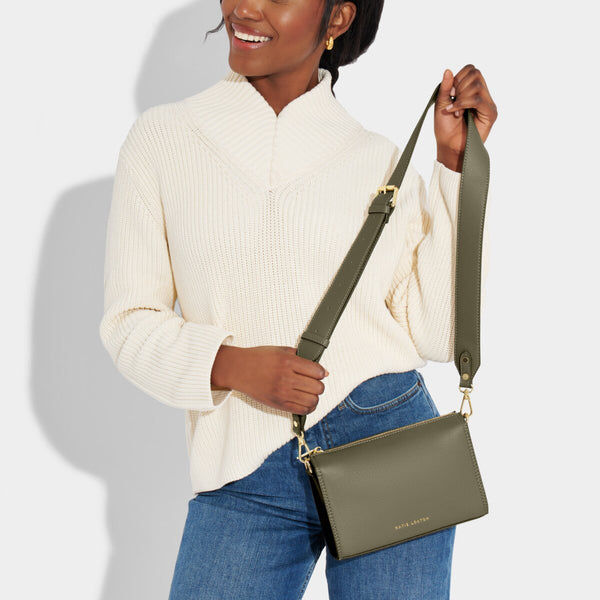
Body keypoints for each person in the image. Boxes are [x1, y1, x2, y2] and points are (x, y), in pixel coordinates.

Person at [99, 0, 497, 598]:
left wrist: (455, 168)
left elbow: (436, 333)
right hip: (244, 468)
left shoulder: (379, 159)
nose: (244, 8)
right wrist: (234, 366)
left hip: (387, 440)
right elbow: (129, 322)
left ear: (337, 19)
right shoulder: (163, 140)